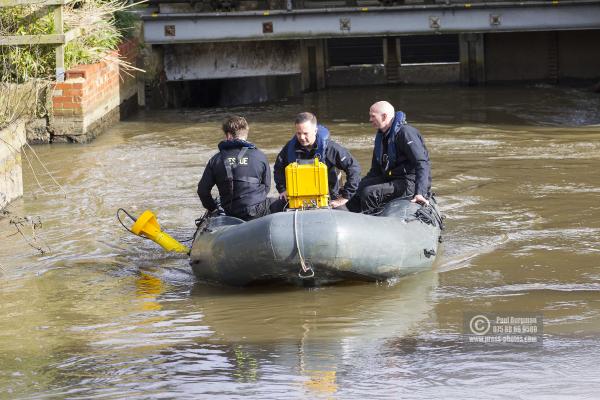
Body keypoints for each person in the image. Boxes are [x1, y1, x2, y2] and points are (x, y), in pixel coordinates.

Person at [347, 101, 431, 214]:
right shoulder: (382, 136)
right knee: (359, 189)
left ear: (384, 116)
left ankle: (372, 222)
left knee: (369, 193)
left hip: (410, 182)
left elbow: (422, 163)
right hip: (391, 177)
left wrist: (420, 192)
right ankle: (351, 218)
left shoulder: (405, 133)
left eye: (373, 116)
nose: (370, 119)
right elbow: (375, 171)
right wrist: (355, 187)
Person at [272, 112, 361, 210]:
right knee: (274, 208)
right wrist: (282, 189)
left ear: (315, 131)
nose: (301, 137)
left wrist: (345, 197)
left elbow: (354, 168)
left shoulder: (330, 148)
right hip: (297, 199)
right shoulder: (289, 148)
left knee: (344, 216)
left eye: (305, 133)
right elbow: (278, 169)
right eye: (298, 133)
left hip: (329, 199)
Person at [197, 116, 271, 221]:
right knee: (284, 203)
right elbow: (266, 187)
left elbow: (202, 191)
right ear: (246, 133)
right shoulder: (260, 156)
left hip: (229, 212)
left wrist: (213, 208)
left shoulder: (216, 159)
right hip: (256, 212)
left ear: (228, 135)